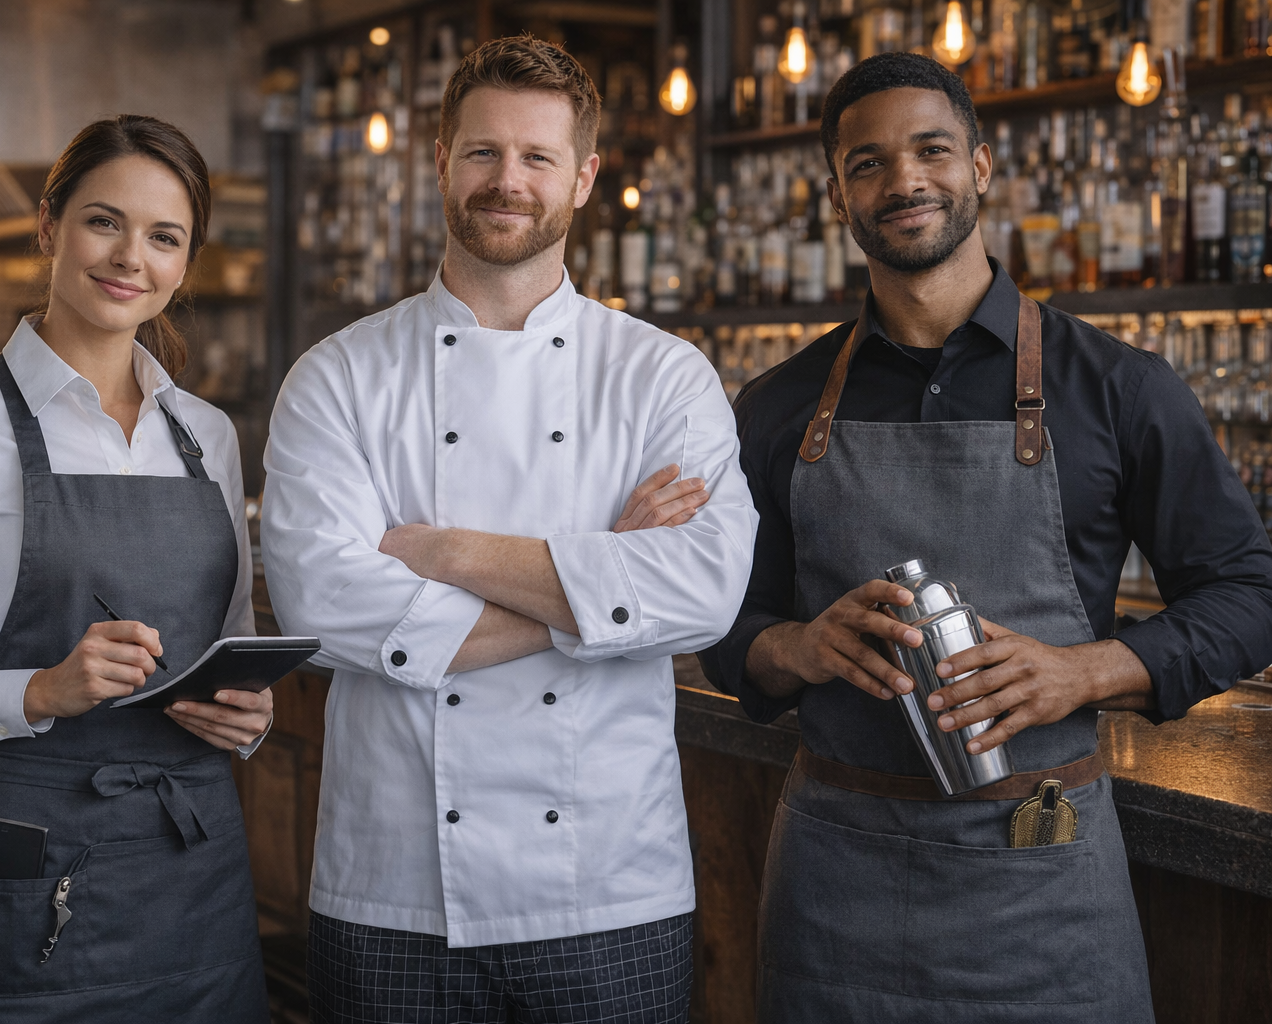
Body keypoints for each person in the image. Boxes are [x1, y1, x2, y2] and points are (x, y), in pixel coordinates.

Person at [698, 52, 1272, 1023]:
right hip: (836, 879)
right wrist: (791, 644)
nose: (905, 180)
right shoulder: (779, 404)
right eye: (868, 162)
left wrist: (1085, 672)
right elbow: (714, 616)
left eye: (931, 150)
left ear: (982, 166)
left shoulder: (1118, 388)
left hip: (1040, 875)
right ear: (838, 192)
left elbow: (1250, 595)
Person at [261, 35, 757, 1024]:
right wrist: (600, 584)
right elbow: (324, 604)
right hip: (395, 886)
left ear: (584, 180)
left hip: (611, 884)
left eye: (537, 158)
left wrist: (439, 551)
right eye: (483, 153)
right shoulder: (338, 377)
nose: (507, 180)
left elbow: (701, 596)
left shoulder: (662, 375)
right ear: (440, 163)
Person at [0, 115, 273, 1022]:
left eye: (164, 237)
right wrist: (35, 692)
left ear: (185, 265)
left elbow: (231, 645)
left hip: (195, 870)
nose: (129, 259)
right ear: (49, 228)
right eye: (103, 222)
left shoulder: (208, 437)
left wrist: (249, 715)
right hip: (26, 873)